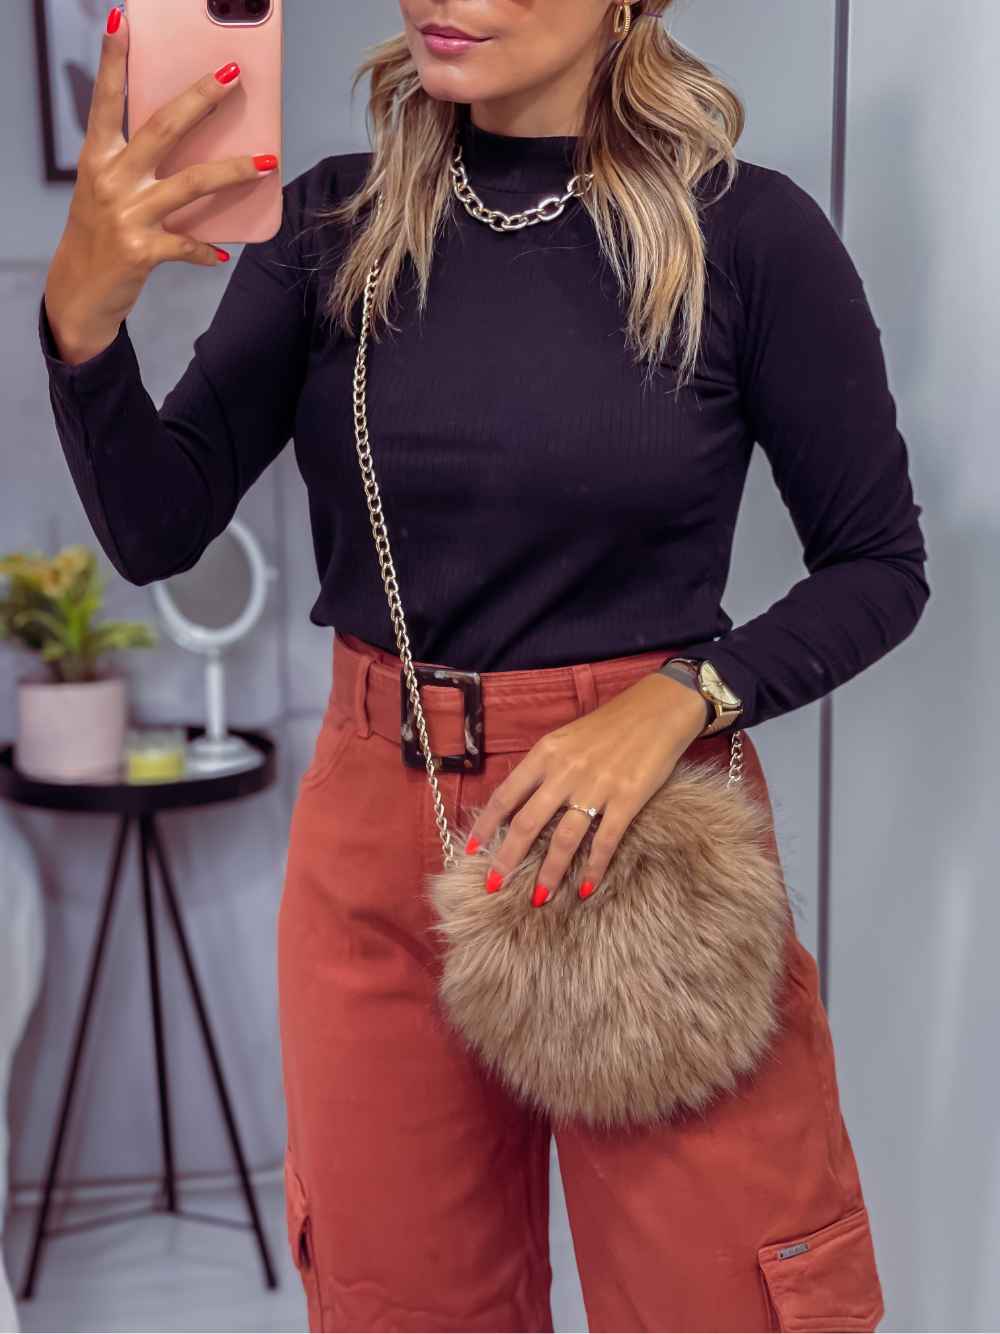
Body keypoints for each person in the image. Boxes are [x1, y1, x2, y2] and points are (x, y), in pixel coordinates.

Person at [38, 2, 928, 1329]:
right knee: (401, 1304)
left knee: (713, 1299)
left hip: (639, 831)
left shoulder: (747, 234)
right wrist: (83, 321)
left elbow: (878, 563)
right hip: (374, 842)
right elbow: (155, 526)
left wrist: (681, 697)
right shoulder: (331, 227)